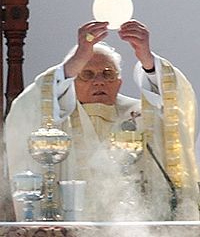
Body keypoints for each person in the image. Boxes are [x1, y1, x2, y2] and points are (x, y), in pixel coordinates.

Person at [5, 20, 200, 221]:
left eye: (108, 74)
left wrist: (148, 61)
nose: (99, 81)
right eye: (87, 74)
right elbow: (24, 112)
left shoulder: (140, 117)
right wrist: (76, 60)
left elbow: (178, 111)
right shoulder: (57, 119)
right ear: (72, 80)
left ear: (119, 83)